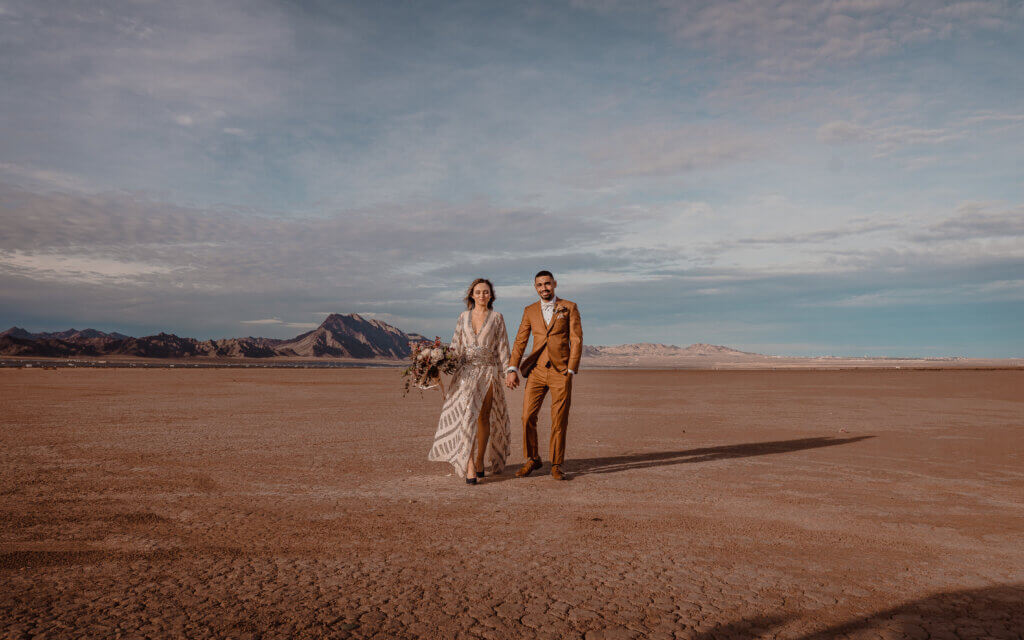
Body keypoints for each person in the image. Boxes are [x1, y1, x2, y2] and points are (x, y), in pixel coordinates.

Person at [428, 278, 512, 484]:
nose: (482, 295)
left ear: (491, 295)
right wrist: (438, 364)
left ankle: (481, 460)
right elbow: (456, 346)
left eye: (485, 292)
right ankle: (469, 464)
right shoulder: (463, 317)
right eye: (478, 292)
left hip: (488, 373)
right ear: (471, 295)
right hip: (465, 374)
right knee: (467, 418)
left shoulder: (497, 318)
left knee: (483, 417)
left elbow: (502, 347)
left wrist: (509, 371)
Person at [505, 270, 582, 481]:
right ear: (535, 287)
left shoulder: (569, 307)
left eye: (547, 284)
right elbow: (521, 340)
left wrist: (571, 369)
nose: (544, 288)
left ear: (554, 284)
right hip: (537, 371)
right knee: (527, 416)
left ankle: (557, 464)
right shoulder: (529, 310)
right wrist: (512, 368)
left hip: (561, 371)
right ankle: (532, 459)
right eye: (539, 285)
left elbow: (576, 339)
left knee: (559, 419)